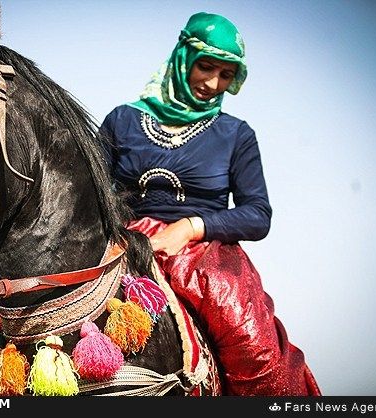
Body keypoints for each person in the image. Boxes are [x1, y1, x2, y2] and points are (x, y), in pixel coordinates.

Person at [99, 12, 321, 396]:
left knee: (259, 354)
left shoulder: (235, 134)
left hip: (204, 256)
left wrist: (189, 227)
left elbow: (258, 214)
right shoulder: (122, 121)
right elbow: (94, 193)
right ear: (183, 57)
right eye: (205, 66)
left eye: (226, 74)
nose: (213, 82)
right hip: (126, 245)